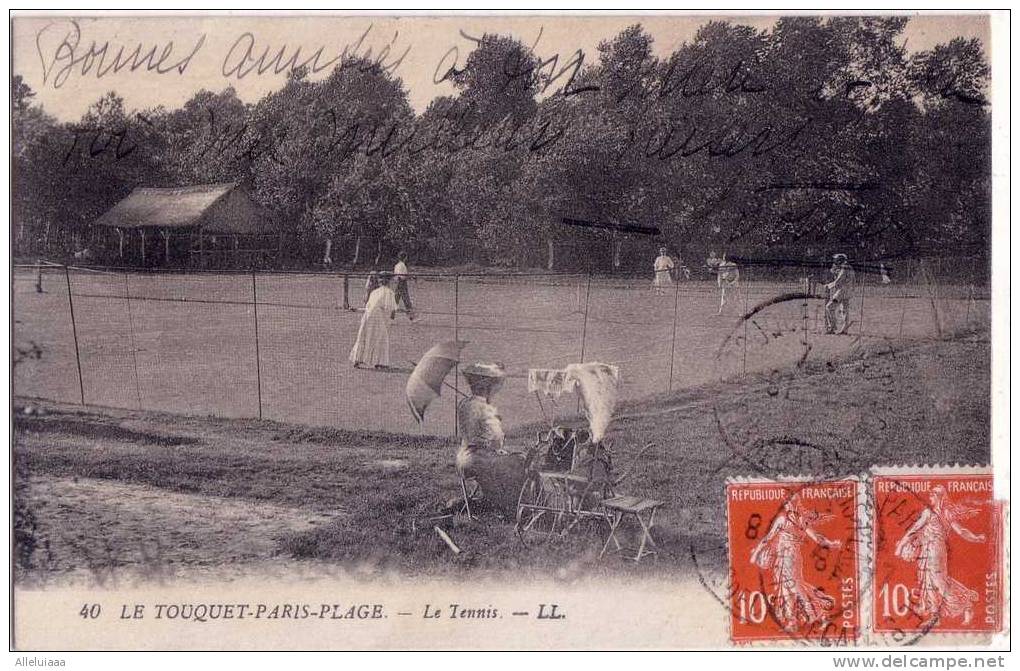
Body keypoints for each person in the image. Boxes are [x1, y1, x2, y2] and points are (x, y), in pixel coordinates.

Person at [750, 495, 842, 633]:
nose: (786, 506)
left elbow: (768, 538)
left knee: (793, 587)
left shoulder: (783, 519)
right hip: (792, 556)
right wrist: (832, 544)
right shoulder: (802, 520)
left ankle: (816, 616)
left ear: (791, 505)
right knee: (790, 586)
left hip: (786, 556)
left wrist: (756, 554)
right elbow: (818, 538)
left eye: (787, 503)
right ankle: (794, 621)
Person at [895, 486, 984, 627]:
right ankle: (935, 616)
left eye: (933, 494)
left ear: (940, 496)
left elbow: (960, 530)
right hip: (928, 550)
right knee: (929, 582)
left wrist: (975, 538)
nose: (930, 496)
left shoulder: (937, 513)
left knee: (938, 583)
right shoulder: (930, 512)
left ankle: (966, 604)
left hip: (936, 550)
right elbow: (916, 530)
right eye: (930, 493)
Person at [455, 362, 526, 517]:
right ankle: (510, 508)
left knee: (506, 462)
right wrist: (495, 421)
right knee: (519, 463)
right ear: (487, 388)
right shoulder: (486, 409)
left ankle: (494, 501)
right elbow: (497, 440)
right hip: (480, 460)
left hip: (463, 459)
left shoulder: (464, 404)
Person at [349, 272, 398, 369]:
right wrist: (390, 321)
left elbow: (370, 306)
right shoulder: (389, 292)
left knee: (364, 335)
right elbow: (391, 309)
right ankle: (380, 362)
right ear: (388, 282)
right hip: (376, 316)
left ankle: (357, 359)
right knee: (382, 337)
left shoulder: (375, 292)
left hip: (367, 316)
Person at [824, 253, 855, 334]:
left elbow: (838, 281)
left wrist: (828, 286)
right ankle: (845, 329)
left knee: (829, 307)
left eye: (836, 260)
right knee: (844, 310)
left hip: (841, 292)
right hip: (848, 292)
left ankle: (832, 327)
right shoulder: (850, 268)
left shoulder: (844, 268)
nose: (835, 262)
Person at [393, 251, 416, 320]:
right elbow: (403, 276)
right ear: (405, 258)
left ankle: (391, 316)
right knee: (406, 300)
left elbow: (396, 275)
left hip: (398, 283)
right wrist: (411, 277)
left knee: (395, 300)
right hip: (402, 283)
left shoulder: (397, 265)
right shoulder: (402, 265)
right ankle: (411, 317)